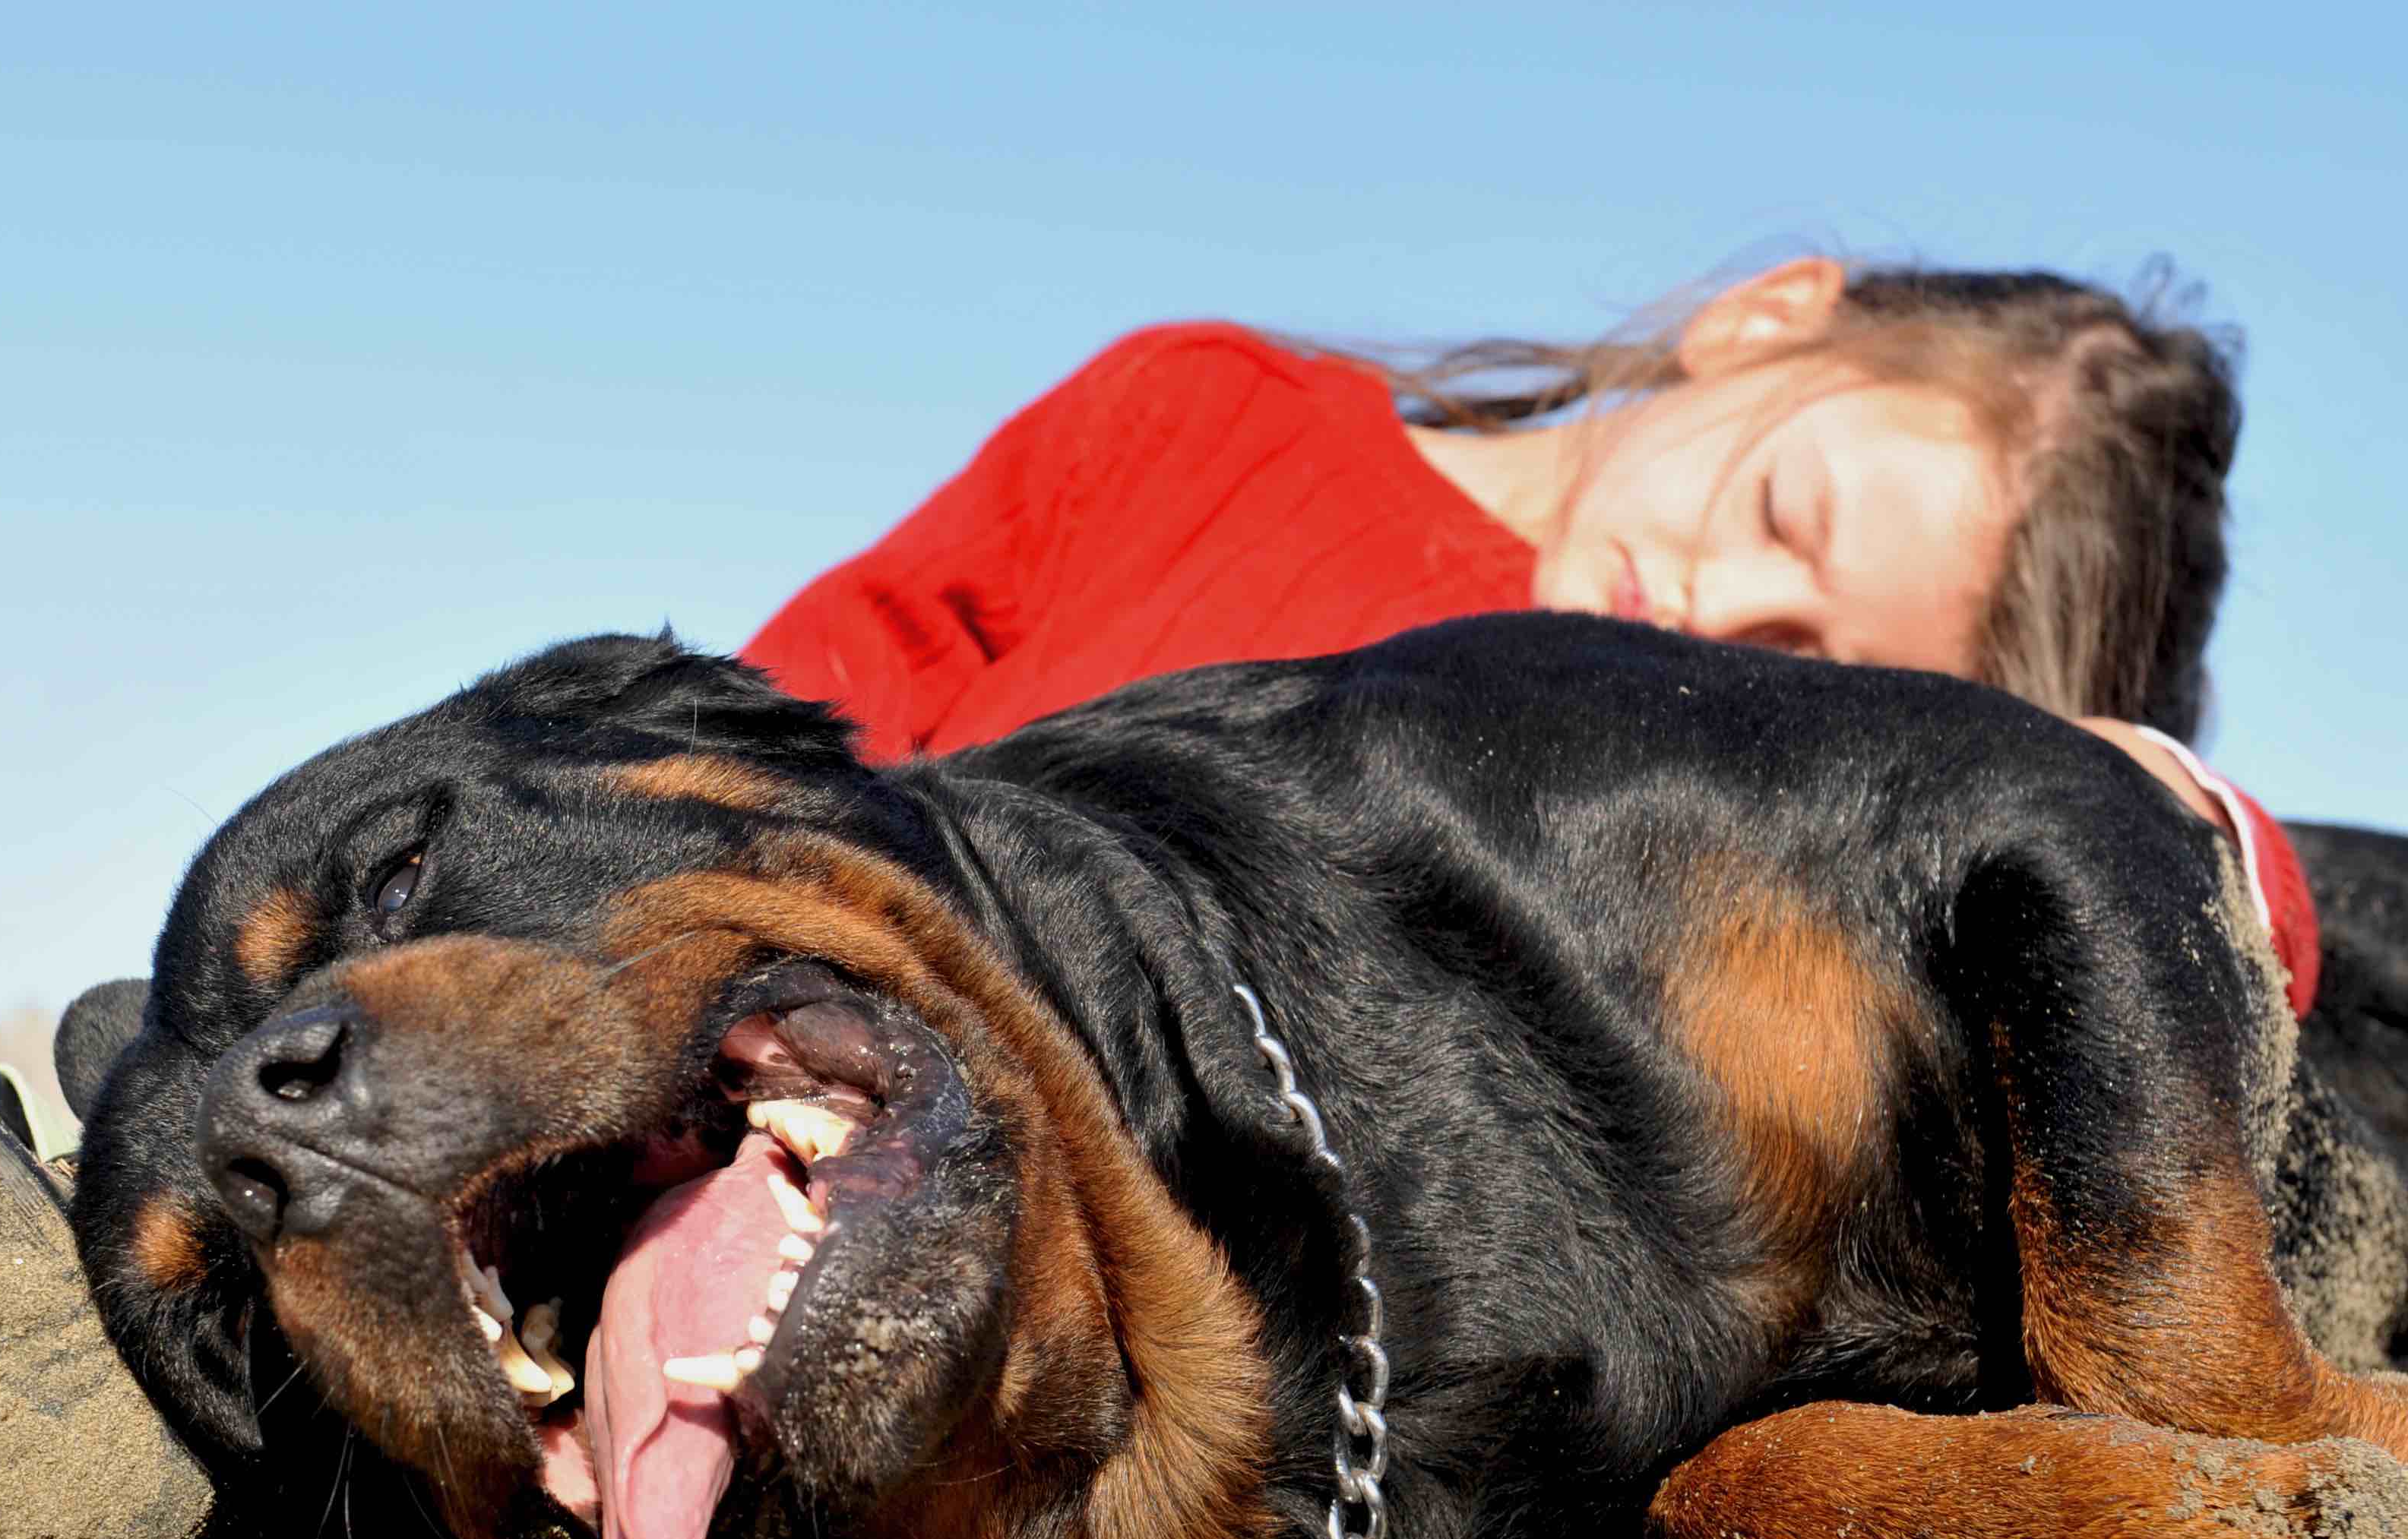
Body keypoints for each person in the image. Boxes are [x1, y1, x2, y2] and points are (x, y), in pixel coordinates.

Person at [740, 255, 2317, 1012]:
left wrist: (2133, 807)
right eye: (1781, 510)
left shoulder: (1693, 824)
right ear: (1762, 320)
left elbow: (2234, 946)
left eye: (1813, 662)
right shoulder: (1200, 418)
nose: (1718, 610)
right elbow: (789, 710)